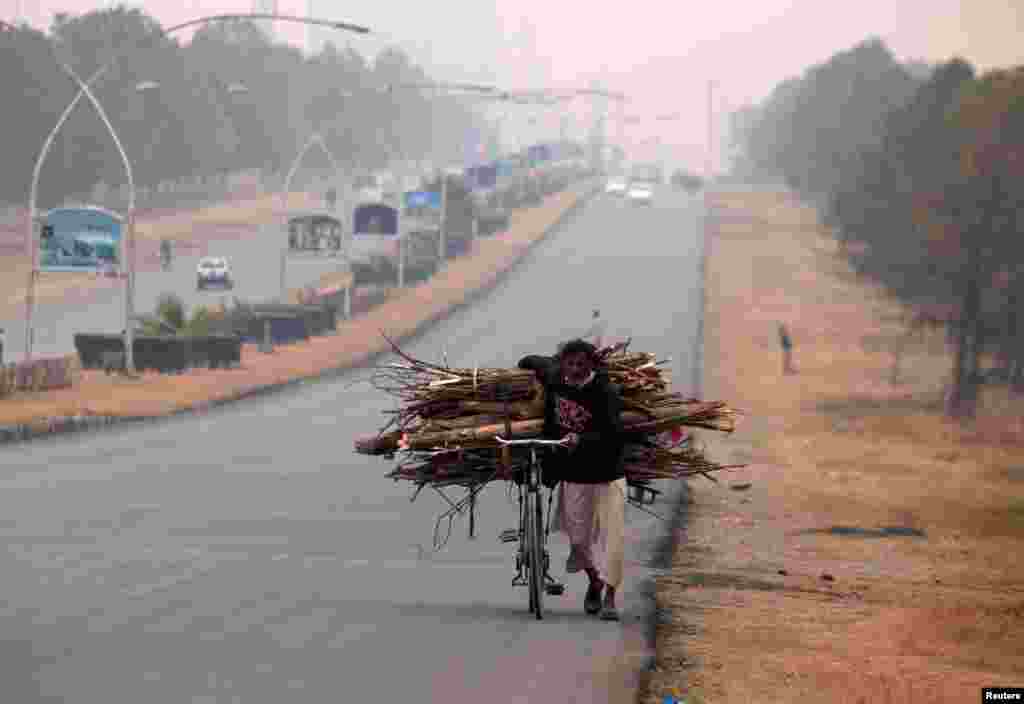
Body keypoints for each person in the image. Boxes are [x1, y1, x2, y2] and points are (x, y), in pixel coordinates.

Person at [518, 339, 626, 621]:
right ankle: (594, 580)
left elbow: (614, 434)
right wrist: (524, 366)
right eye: (570, 363)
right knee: (578, 541)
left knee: (612, 539)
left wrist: (582, 439)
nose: (575, 369)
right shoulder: (556, 380)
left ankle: (610, 599)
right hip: (574, 474)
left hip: (607, 474)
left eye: (581, 364)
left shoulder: (606, 392)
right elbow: (534, 360)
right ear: (562, 363)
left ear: (592, 364)